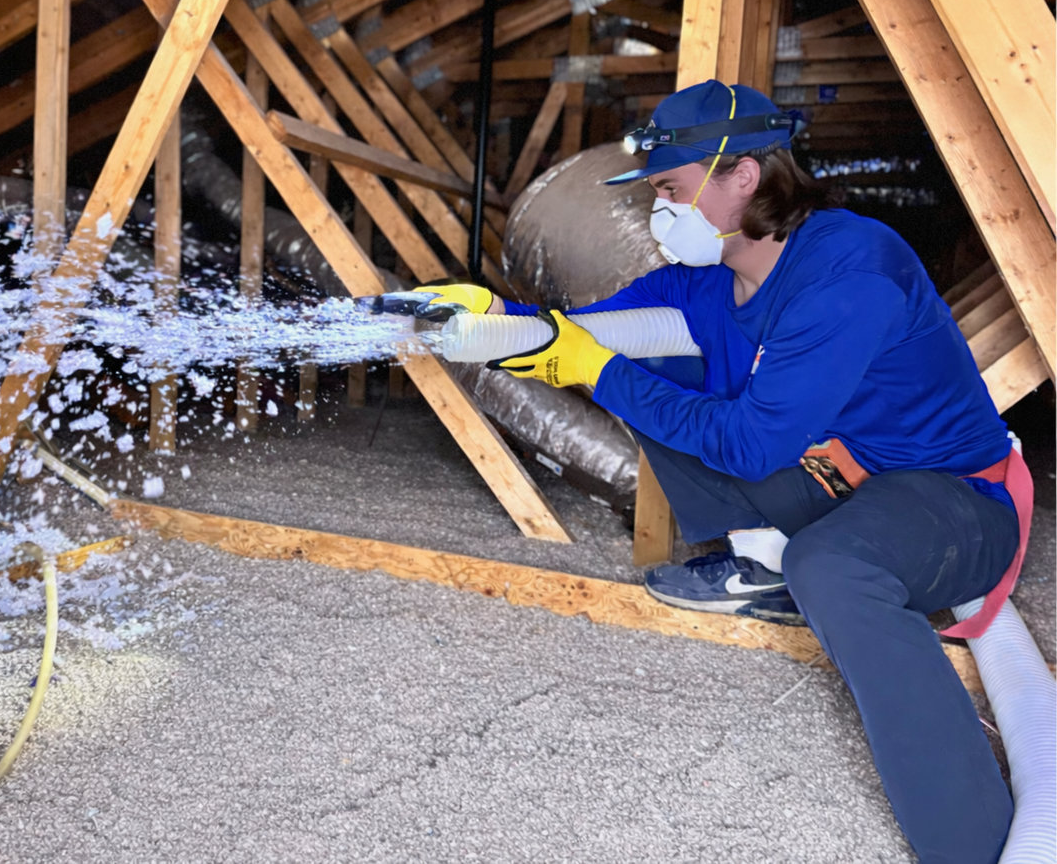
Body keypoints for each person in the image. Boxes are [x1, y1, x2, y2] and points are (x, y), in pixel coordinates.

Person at [415, 80, 1031, 864]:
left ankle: (972, 845)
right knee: (655, 367)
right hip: (842, 482)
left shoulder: (850, 271)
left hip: (957, 506)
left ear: (742, 175)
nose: (658, 212)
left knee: (833, 566)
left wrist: (594, 367)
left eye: (670, 190)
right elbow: (591, 337)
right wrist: (491, 321)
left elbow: (749, 446)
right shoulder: (707, 282)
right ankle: (767, 568)